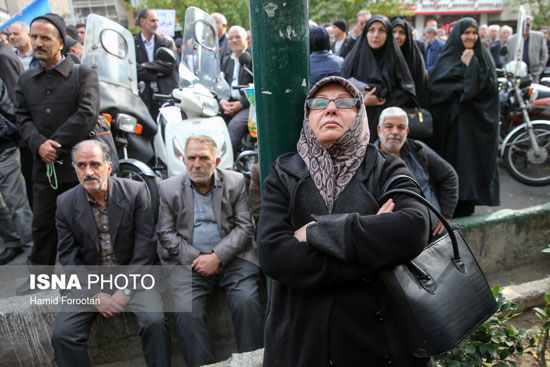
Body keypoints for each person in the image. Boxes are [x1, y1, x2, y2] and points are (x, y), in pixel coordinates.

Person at [257, 76, 430, 366]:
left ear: (360, 112)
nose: (331, 109)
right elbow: (274, 254)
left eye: (345, 102)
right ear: (308, 116)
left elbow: (412, 228)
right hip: (303, 341)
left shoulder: (385, 166)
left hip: (377, 340)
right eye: (319, 103)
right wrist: (372, 249)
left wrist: (317, 231)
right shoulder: (285, 173)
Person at [52, 140, 170, 367]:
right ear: (75, 169)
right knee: (63, 335)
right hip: (89, 282)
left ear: (109, 166)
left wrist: (125, 291)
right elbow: (68, 258)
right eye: (81, 165)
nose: (88, 172)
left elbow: (145, 250)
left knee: (154, 321)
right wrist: (96, 295)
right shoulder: (65, 203)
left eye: (95, 164)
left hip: (135, 278)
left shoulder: (135, 192)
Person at [157, 135, 263, 367]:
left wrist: (217, 257)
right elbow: (165, 234)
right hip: (189, 264)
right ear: (182, 160)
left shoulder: (235, 182)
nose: (197, 164)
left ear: (216, 160)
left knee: (246, 301)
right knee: (187, 312)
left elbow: (245, 228)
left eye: (204, 158)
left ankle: (254, 361)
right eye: (191, 158)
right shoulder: (168, 188)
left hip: (234, 259)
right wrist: (198, 259)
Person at [15, 13, 99, 292]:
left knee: (86, 222)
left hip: (79, 166)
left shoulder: (83, 74)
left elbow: (87, 114)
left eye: (45, 38)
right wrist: (38, 143)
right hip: (43, 166)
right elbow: (21, 117)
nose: (37, 43)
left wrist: (55, 143)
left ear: (61, 42)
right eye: (34, 36)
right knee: (42, 224)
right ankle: (41, 276)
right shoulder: (26, 79)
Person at [428, 17, 500, 217]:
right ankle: (452, 201)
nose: (470, 37)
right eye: (466, 32)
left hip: (474, 125)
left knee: (470, 165)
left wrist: (471, 66)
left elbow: (488, 89)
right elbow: (437, 87)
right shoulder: (448, 56)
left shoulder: (483, 57)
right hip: (451, 125)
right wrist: (463, 68)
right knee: (453, 163)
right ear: (458, 34)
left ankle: (469, 200)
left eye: (474, 33)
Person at [375, 106, 458, 235]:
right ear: (379, 130)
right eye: (389, 126)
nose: (395, 132)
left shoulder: (418, 150)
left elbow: (449, 176)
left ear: (407, 132)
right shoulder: (369, 159)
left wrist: (445, 215)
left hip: (434, 236)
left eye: (401, 127)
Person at [341, 15, 417, 142]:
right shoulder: (355, 58)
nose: (375, 35)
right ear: (365, 33)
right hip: (357, 127)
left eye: (381, 30)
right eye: (371, 30)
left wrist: (383, 99)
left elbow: (408, 91)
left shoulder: (395, 58)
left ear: (387, 34)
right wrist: (363, 102)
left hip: (388, 129)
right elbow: (340, 92)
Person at [0, 77, 33, 264]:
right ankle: (13, 241)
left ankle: (33, 252)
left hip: (3, 149)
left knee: (17, 204)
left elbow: (9, 113)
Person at [134, 8, 178, 119]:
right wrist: (155, 73)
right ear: (142, 22)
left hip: (164, 96)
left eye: (157, 21)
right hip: (142, 98)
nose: (156, 24)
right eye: (153, 21)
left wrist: (147, 65)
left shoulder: (166, 43)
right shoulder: (132, 43)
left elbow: (169, 67)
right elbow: (134, 69)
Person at [220, 26, 253, 156]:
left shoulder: (253, 58)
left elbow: (258, 86)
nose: (233, 40)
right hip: (228, 103)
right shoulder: (226, 60)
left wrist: (241, 104)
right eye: (230, 38)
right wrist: (222, 101)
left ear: (246, 38)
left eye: (237, 37)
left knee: (235, 126)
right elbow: (219, 84)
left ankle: (227, 161)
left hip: (249, 104)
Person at [391, 18, 428, 107]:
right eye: (394, 32)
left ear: (407, 35)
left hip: (411, 105)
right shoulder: (385, 55)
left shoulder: (415, 56)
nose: (397, 36)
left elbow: (420, 85)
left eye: (401, 32)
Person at [503, 16, 548, 83]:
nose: (525, 27)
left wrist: (539, 69)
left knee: (532, 92)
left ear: (531, 25)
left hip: (533, 73)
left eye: (527, 25)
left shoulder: (539, 36)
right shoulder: (511, 39)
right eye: (523, 24)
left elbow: (544, 54)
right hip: (516, 75)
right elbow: (506, 57)